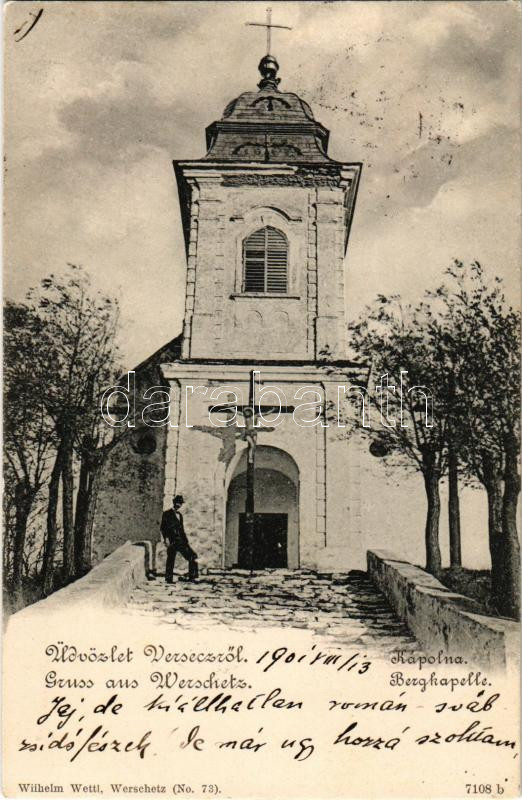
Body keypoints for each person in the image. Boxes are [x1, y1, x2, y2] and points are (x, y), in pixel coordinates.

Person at [160, 495, 198, 583]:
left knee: (193, 556)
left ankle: (192, 577)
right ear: (174, 502)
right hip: (172, 540)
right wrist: (166, 539)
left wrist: (186, 541)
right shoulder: (167, 514)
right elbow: (163, 528)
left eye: (180, 503)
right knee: (171, 559)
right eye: (177, 503)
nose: (179, 505)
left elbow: (181, 529)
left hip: (181, 541)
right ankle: (168, 579)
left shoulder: (180, 515)